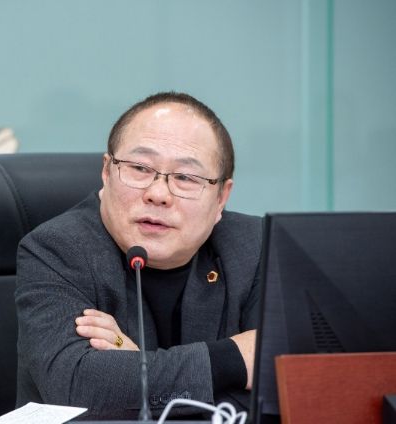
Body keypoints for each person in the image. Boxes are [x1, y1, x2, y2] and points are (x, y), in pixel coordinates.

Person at [15, 92, 261, 420]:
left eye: (185, 178)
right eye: (140, 168)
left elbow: (288, 388)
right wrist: (233, 360)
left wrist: (135, 367)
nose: (158, 194)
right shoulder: (57, 250)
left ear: (221, 198)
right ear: (106, 172)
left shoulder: (254, 248)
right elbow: (76, 386)